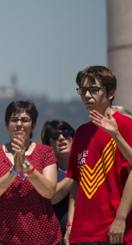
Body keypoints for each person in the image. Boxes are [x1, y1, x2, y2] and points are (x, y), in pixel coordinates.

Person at [65, 65, 132, 245]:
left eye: (93, 90)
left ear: (110, 93)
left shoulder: (126, 125)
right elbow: (76, 182)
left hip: (115, 231)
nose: (86, 95)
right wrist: (70, 225)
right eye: (83, 90)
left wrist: (121, 218)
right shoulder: (81, 133)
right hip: (82, 233)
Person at [0, 100, 61, 245]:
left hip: (42, 238)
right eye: (14, 119)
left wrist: (25, 165)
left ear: (33, 125)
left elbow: (49, 191)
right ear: (7, 124)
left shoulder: (45, 153)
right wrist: (14, 171)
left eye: (25, 120)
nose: (19, 124)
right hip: (1, 238)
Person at [41, 120, 75, 241]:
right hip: (55, 237)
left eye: (66, 133)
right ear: (48, 144)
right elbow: (52, 197)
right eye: (55, 136)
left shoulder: (90, 166)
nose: (61, 138)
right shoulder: (44, 172)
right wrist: (74, 173)